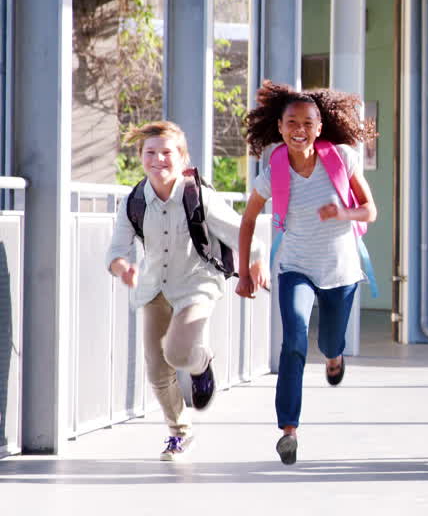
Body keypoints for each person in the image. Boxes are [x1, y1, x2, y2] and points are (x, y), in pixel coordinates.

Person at [106, 121, 267, 461]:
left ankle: (201, 361)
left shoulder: (197, 195)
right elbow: (115, 252)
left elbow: (242, 231)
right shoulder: (134, 200)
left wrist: (257, 260)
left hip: (196, 283)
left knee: (178, 353)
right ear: (141, 157)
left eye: (167, 153)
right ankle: (180, 433)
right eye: (151, 153)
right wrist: (124, 268)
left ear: (182, 158)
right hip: (153, 288)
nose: (159, 160)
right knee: (156, 368)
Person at [236, 81, 378, 466]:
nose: (300, 129)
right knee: (294, 341)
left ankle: (334, 358)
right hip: (296, 266)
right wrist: (244, 271)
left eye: (308, 122)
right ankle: (288, 430)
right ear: (280, 128)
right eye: (292, 122)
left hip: (341, 269)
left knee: (331, 341)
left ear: (320, 126)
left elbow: (370, 211)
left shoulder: (342, 158)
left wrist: (343, 213)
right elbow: (248, 221)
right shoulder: (273, 171)